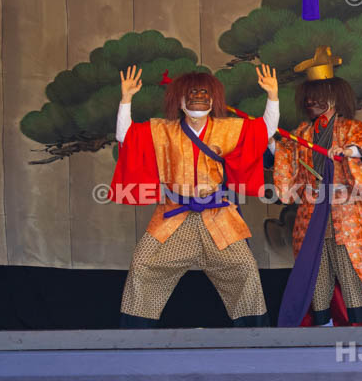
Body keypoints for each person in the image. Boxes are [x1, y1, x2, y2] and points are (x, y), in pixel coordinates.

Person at [109, 65, 280, 328]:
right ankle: (135, 335)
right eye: (191, 92)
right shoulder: (162, 130)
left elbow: (263, 133)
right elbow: (127, 136)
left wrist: (273, 96)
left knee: (244, 269)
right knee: (143, 265)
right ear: (179, 100)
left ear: (213, 100)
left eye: (204, 92)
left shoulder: (228, 129)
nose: (198, 96)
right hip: (174, 216)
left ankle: (253, 336)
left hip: (218, 216)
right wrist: (126, 99)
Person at [274, 46, 362, 327]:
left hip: (346, 212)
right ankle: (323, 324)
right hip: (311, 214)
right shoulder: (301, 133)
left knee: (353, 268)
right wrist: (274, 146)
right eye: (308, 99)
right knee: (315, 272)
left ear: (334, 98)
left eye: (317, 98)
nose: (311, 103)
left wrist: (351, 152)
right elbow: (287, 157)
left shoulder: (352, 129)